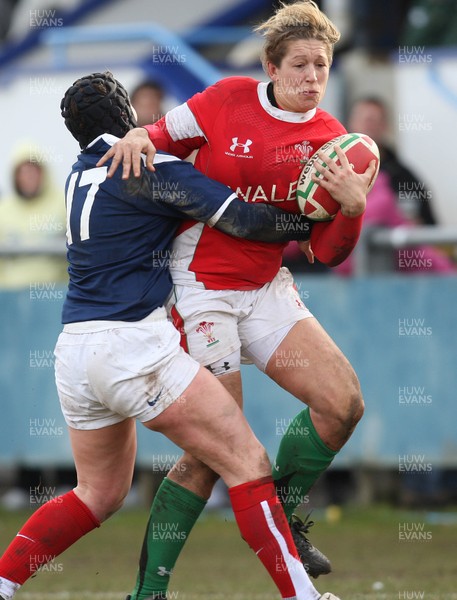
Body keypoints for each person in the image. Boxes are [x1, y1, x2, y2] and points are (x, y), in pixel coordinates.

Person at [0, 71, 341, 600]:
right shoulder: (148, 165)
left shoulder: (74, 173)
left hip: (74, 350)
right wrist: (313, 220)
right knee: (247, 463)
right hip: (133, 345)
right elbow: (245, 221)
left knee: (97, 493)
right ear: (128, 115)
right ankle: (304, 596)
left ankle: (3, 581)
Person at [97, 3, 377, 599]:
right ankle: (147, 594)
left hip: (265, 288)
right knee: (210, 454)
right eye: (299, 64)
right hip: (201, 288)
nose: (312, 77)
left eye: (321, 65)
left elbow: (327, 254)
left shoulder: (332, 143)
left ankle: (286, 517)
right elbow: (156, 134)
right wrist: (133, 137)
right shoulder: (225, 99)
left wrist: (351, 209)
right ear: (270, 67)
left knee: (343, 404)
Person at [334, 96, 456, 275]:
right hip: (346, 277)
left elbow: (430, 230)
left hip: (404, 279)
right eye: (364, 119)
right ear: (350, 124)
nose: (369, 125)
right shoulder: (335, 172)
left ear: (385, 126)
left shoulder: (404, 176)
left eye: (375, 120)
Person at [0, 143, 67, 288]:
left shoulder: (64, 203)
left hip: (57, 296)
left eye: (33, 170)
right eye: (23, 172)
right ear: (15, 176)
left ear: (43, 172)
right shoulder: (3, 211)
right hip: (11, 298)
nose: (29, 177)